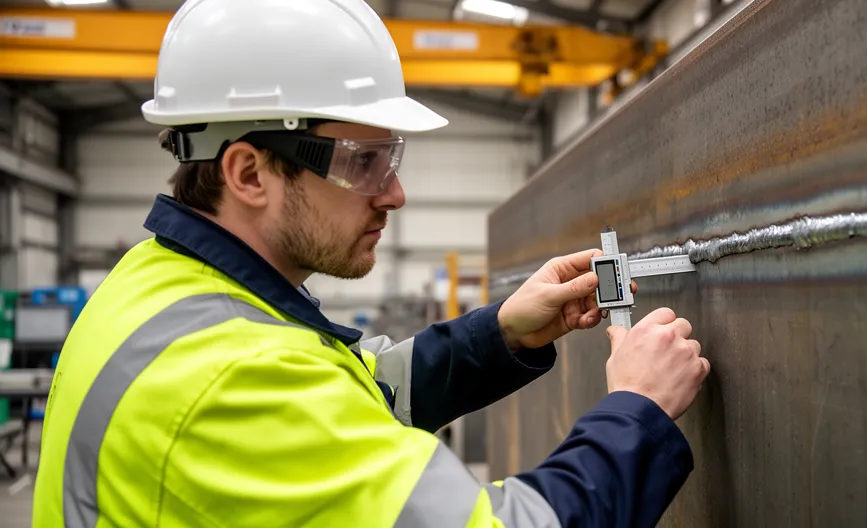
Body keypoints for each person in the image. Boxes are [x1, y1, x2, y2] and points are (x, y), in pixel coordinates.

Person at [31, 0, 711, 526]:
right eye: (363, 162)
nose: (395, 193)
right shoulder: (229, 382)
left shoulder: (161, 282)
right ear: (249, 172)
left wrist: (500, 334)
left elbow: (352, 394)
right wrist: (637, 408)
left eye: (391, 158)